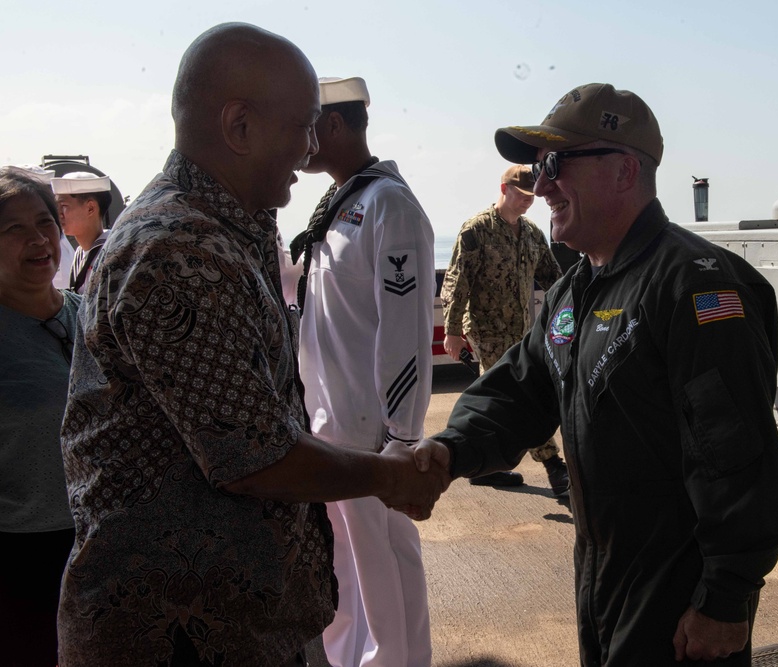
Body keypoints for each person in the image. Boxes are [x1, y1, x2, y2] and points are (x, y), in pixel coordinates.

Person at [58, 23, 449, 667]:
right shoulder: (177, 250)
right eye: (301, 127)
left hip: (242, 617)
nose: (308, 147)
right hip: (183, 634)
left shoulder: (229, 229)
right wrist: (390, 472)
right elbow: (254, 459)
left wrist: (395, 436)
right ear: (239, 126)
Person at [417, 83, 778, 665]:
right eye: (539, 167)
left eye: (555, 164)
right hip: (605, 571)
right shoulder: (579, 287)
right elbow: (524, 387)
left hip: (677, 589)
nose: (541, 185)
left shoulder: (694, 285)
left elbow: (737, 454)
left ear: (623, 171)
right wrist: (449, 451)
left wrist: (727, 597)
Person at [293, 75, 436, 667]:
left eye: (305, 125)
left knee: (381, 570)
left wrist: (399, 437)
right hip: (328, 424)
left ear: (332, 125)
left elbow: (406, 330)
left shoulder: (387, 206)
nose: (297, 140)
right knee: (346, 571)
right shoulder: (339, 204)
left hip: (368, 430)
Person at [440, 165, 569, 495]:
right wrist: (452, 331)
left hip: (521, 330)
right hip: (486, 329)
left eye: (531, 197)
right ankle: (555, 468)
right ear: (504, 188)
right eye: (522, 195)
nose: (527, 202)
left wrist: (573, 310)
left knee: (497, 400)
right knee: (521, 396)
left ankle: (484, 467)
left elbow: (554, 279)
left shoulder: (530, 233)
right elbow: (457, 281)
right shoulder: (477, 230)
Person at [0, 170, 79, 667]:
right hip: (19, 560)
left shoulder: (95, 317)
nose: (37, 239)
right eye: (13, 229)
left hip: (103, 545)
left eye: (45, 222)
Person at [51, 171, 113, 293]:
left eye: (63, 205)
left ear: (91, 208)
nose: (58, 213)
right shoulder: (80, 253)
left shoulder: (111, 250)